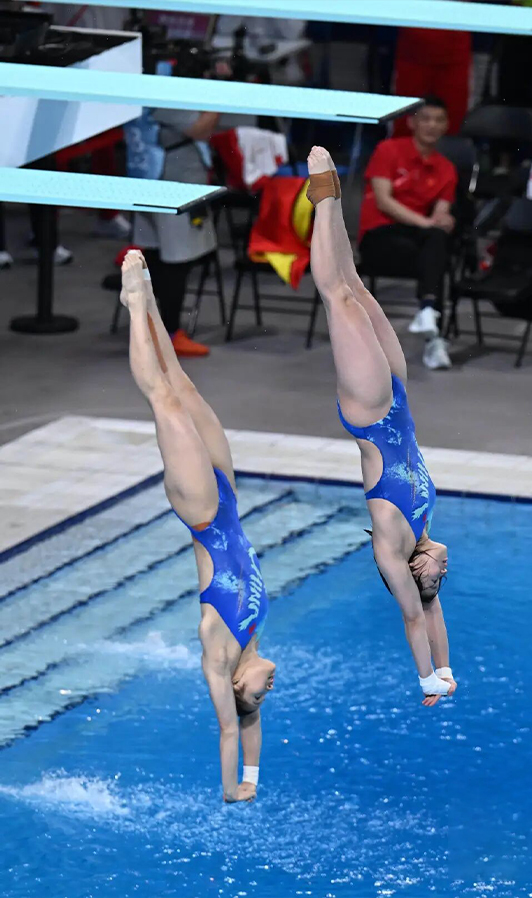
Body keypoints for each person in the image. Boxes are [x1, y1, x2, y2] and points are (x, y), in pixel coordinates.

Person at [120, 249, 276, 801]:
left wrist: (232, 787)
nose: (269, 689)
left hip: (204, 514)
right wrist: (255, 778)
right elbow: (252, 724)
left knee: (165, 401)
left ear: (236, 684)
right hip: (227, 498)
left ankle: (133, 305)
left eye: (259, 693)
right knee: (183, 385)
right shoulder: (252, 637)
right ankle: (151, 301)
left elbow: (232, 728)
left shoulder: (220, 650)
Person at [307, 146, 457, 706]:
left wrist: (426, 681)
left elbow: (416, 617)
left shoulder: (394, 547)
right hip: (398, 398)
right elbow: (435, 613)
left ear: (419, 571)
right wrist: (447, 670)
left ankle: (322, 196)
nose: (446, 569)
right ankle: (333, 203)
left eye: (438, 576)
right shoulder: (422, 527)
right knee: (358, 287)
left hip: (371, 415)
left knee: (339, 299)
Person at [358, 97, 457, 370]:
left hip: (416, 239)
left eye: (439, 120)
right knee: (435, 255)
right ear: (412, 123)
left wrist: (443, 220)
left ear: (446, 125)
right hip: (380, 236)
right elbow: (383, 201)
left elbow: (441, 212)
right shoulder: (388, 150)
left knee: (437, 241)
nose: (432, 125)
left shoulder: (446, 168)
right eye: (426, 119)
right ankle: (434, 333)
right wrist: (426, 223)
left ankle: (428, 314)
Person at [132, 108, 222, 358]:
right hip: (172, 181)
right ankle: (169, 334)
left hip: (149, 174)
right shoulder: (165, 95)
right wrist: (218, 103)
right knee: (176, 259)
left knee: (156, 254)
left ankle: (154, 329)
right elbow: (200, 129)